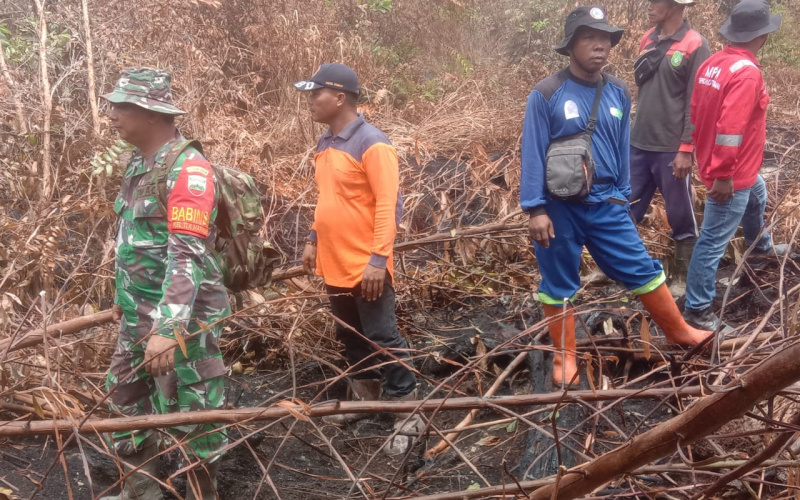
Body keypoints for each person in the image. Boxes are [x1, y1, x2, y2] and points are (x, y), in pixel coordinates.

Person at [520, 6, 710, 387]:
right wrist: (535, 208)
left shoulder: (619, 91)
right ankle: (565, 358)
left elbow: (623, 149)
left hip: (607, 203)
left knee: (641, 268)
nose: (600, 46)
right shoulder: (546, 94)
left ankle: (679, 332)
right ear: (571, 45)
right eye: (589, 38)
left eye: (605, 38)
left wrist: (623, 197)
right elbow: (533, 152)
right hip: (558, 208)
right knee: (558, 282)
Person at [102, 67, 230, 500]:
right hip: (138, 314)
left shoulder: (190, 170)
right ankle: (142, 490)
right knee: (125, 396)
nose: (112, 114)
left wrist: (168, 329)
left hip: (183, 320)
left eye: (121, 106)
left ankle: (202, 492)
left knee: (195, 412)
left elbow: (186, 253)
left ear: (153, 113)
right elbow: (134, 238)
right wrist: (122, 295)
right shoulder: (139, 163)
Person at [294, 63, 421, 456]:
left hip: (366, 265)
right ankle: (366, 398)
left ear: (339, 98)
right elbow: (327, 199)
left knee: (382, 337)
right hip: (333, 261)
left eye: (316, 94)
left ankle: (407, 412)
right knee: (350, 335)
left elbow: (389, 206)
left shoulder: (373, 143)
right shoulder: (325, 142)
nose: (310, 101)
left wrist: (378, 260)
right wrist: (314, 239)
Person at [683, 0, 788, 330]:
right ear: (762, 36)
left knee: (758, 195)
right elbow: (730, 129)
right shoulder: (747, 73)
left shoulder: (713, 64)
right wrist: (724, 176)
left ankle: (761, 250)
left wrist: (699, 156)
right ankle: (697, 309)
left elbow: (696, 113)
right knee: (713, 240)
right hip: (732, 172)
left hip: (733, 168)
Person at [629, 0, 710, 296]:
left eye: (655, 2)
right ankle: (616, 266)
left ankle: (682, 277)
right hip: (638, 142)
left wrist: (686, 148)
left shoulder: (696, 44)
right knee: (624, 207)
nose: (648, 7)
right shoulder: (647, 38)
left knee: (680, 215)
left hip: (671, 147)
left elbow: (696, 102)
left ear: (675, 6)